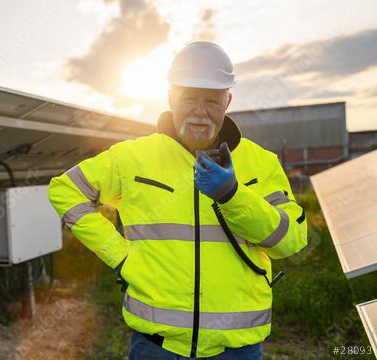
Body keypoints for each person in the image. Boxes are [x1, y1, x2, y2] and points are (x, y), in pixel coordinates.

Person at [48, 41, 307, 359]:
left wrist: (233, 196)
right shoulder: (133, 157)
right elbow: (64, 190)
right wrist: (122, 258)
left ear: (227, 101)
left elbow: (290, 242)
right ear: (171, 97)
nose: (200, 111)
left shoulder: (261, 163)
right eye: (189, 98)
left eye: (212, 100)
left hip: (237, 349)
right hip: (156, 346)